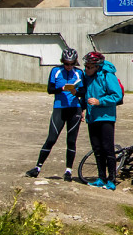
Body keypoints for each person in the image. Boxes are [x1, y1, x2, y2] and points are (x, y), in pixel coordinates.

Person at [27, 48, 84, 182]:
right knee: (51, 139)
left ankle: (68, 171)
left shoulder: (79, 73)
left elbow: (84, 92)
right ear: (62, 62)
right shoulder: (56, 71)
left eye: (71, 64)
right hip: (59, 108)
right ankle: (38, 167)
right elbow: (50, 89)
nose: (69, 67)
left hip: (74, 109)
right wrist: (62, 89)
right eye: (66, 64)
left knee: (71, 141)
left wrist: (77, 93)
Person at [80, 50, 122, 190]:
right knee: (97, 149)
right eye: (86, 66)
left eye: (89, 67)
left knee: (108, 148)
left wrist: (100, 101)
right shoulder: (88, 77)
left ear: (97, 66)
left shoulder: (107, 75)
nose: (86, 69)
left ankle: (111, 180)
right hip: (92, 117)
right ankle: (101, 178)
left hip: (106, 117)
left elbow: (117, 95)